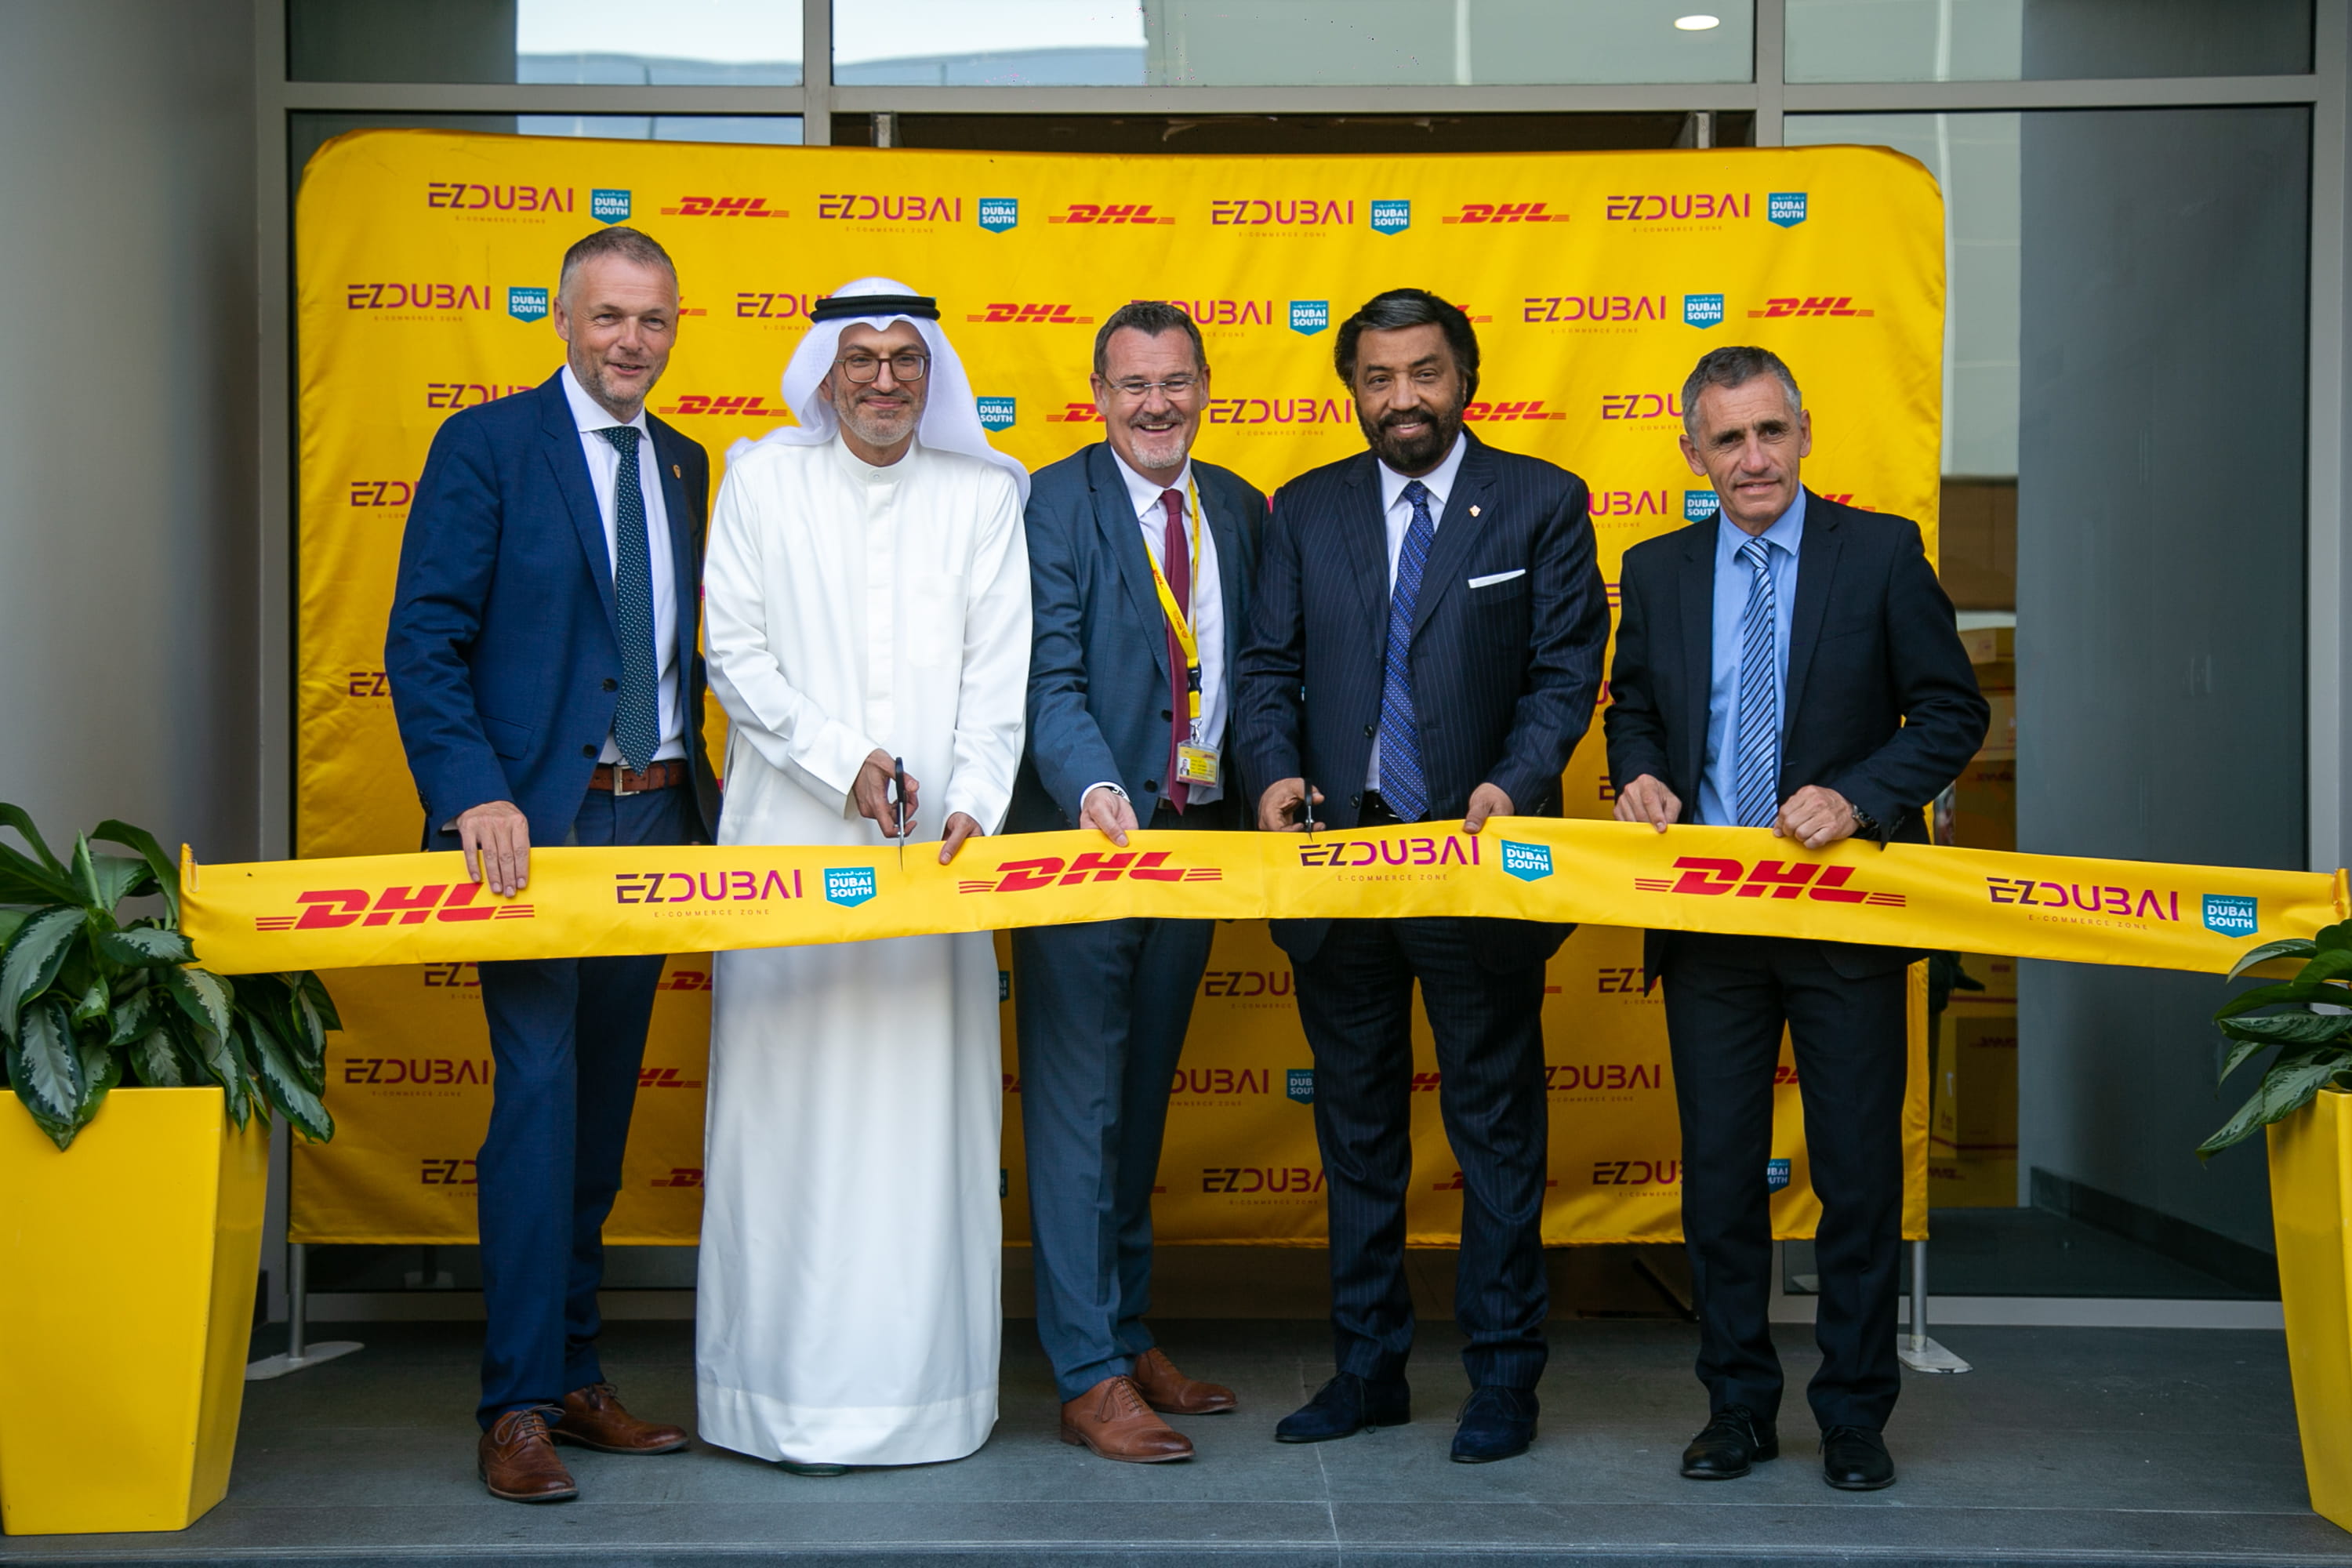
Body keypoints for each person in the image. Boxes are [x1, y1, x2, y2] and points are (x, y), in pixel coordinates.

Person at [1235, 288, 1610, 1465]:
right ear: (1354, 390)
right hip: (1340, 869)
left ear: (1465, 379)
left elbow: (1564, 673)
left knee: (1494, 1131)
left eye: (1424, 373)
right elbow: (1265, 668)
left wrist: (1512, 784)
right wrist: (1272, 779)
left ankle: (1503, 1380)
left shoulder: (1541, 501)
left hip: (1476, 868)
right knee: (1357, 1132)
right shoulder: (1306, 508)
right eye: (1379, 377)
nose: (1402, 398)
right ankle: (1368, 1372)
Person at [1603, 345, 1987, 1493]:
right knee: (1721, 1181)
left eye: (1771, 431)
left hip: (1845, 918)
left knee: (1858, 1178)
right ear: (1694, 454)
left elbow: (1951, 713)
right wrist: (1640, 774)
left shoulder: (1881, 554)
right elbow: (1634, 709)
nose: (1754, 457)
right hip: (1711, 922)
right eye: (1728, 439)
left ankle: (1856, 1417)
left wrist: (1861, 797)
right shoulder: (1657, 568)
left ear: (1806, 434)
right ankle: (1736, 1410)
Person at [385, 226, 720, 1504]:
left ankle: (577, 1376)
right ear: (565, 321)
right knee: (535, 1099)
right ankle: (515, 1403)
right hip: (533, 831)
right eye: (609, 316)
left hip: (657, 819)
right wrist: (473, 789)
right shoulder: (486, 446)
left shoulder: (683, 461)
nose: (632, 340)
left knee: (598, 1113)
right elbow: (424, 638)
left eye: (653, 319)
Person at [695, 278, 1032, 1471]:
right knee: (785, 1126)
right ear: (826, 372)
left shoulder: (982, 497)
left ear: (932, 375)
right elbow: (733, 655)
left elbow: (999, 679)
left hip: (938, 863)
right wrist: (844, 762)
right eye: (862, 359)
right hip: (787, 853)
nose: (884, 381)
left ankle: (927, 1399)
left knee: (918, 1131)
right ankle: (768, 1399)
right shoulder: (761, 482)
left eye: (906, 360)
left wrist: (975, 802)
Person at [1007, 301, 1265, 1463]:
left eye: (1175, 383)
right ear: (1100, 396)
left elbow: (1257, 677)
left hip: (1196, 843)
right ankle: (1086, 1375)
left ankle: (1125, 1329)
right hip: (1085, 845)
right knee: (1078, 1109)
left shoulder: (1240, 510)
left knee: (1142, 1098)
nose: (1156, 405)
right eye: (1133, 386)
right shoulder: (1050, 504)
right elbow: (1045, 676)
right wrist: (1094, 785)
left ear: (1204, 387)